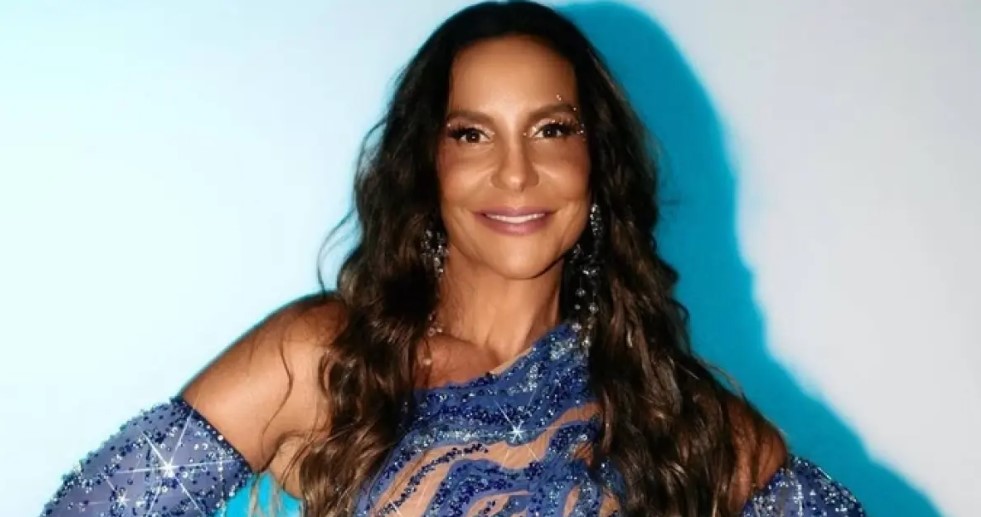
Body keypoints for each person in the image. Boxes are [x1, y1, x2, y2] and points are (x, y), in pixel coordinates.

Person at [41, 1, 866, 516]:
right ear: (427, 165)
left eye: (551, 129)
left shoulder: (677, 418)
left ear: (595, 163)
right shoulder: (324, 359)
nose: (515, 172)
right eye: (471, 134)